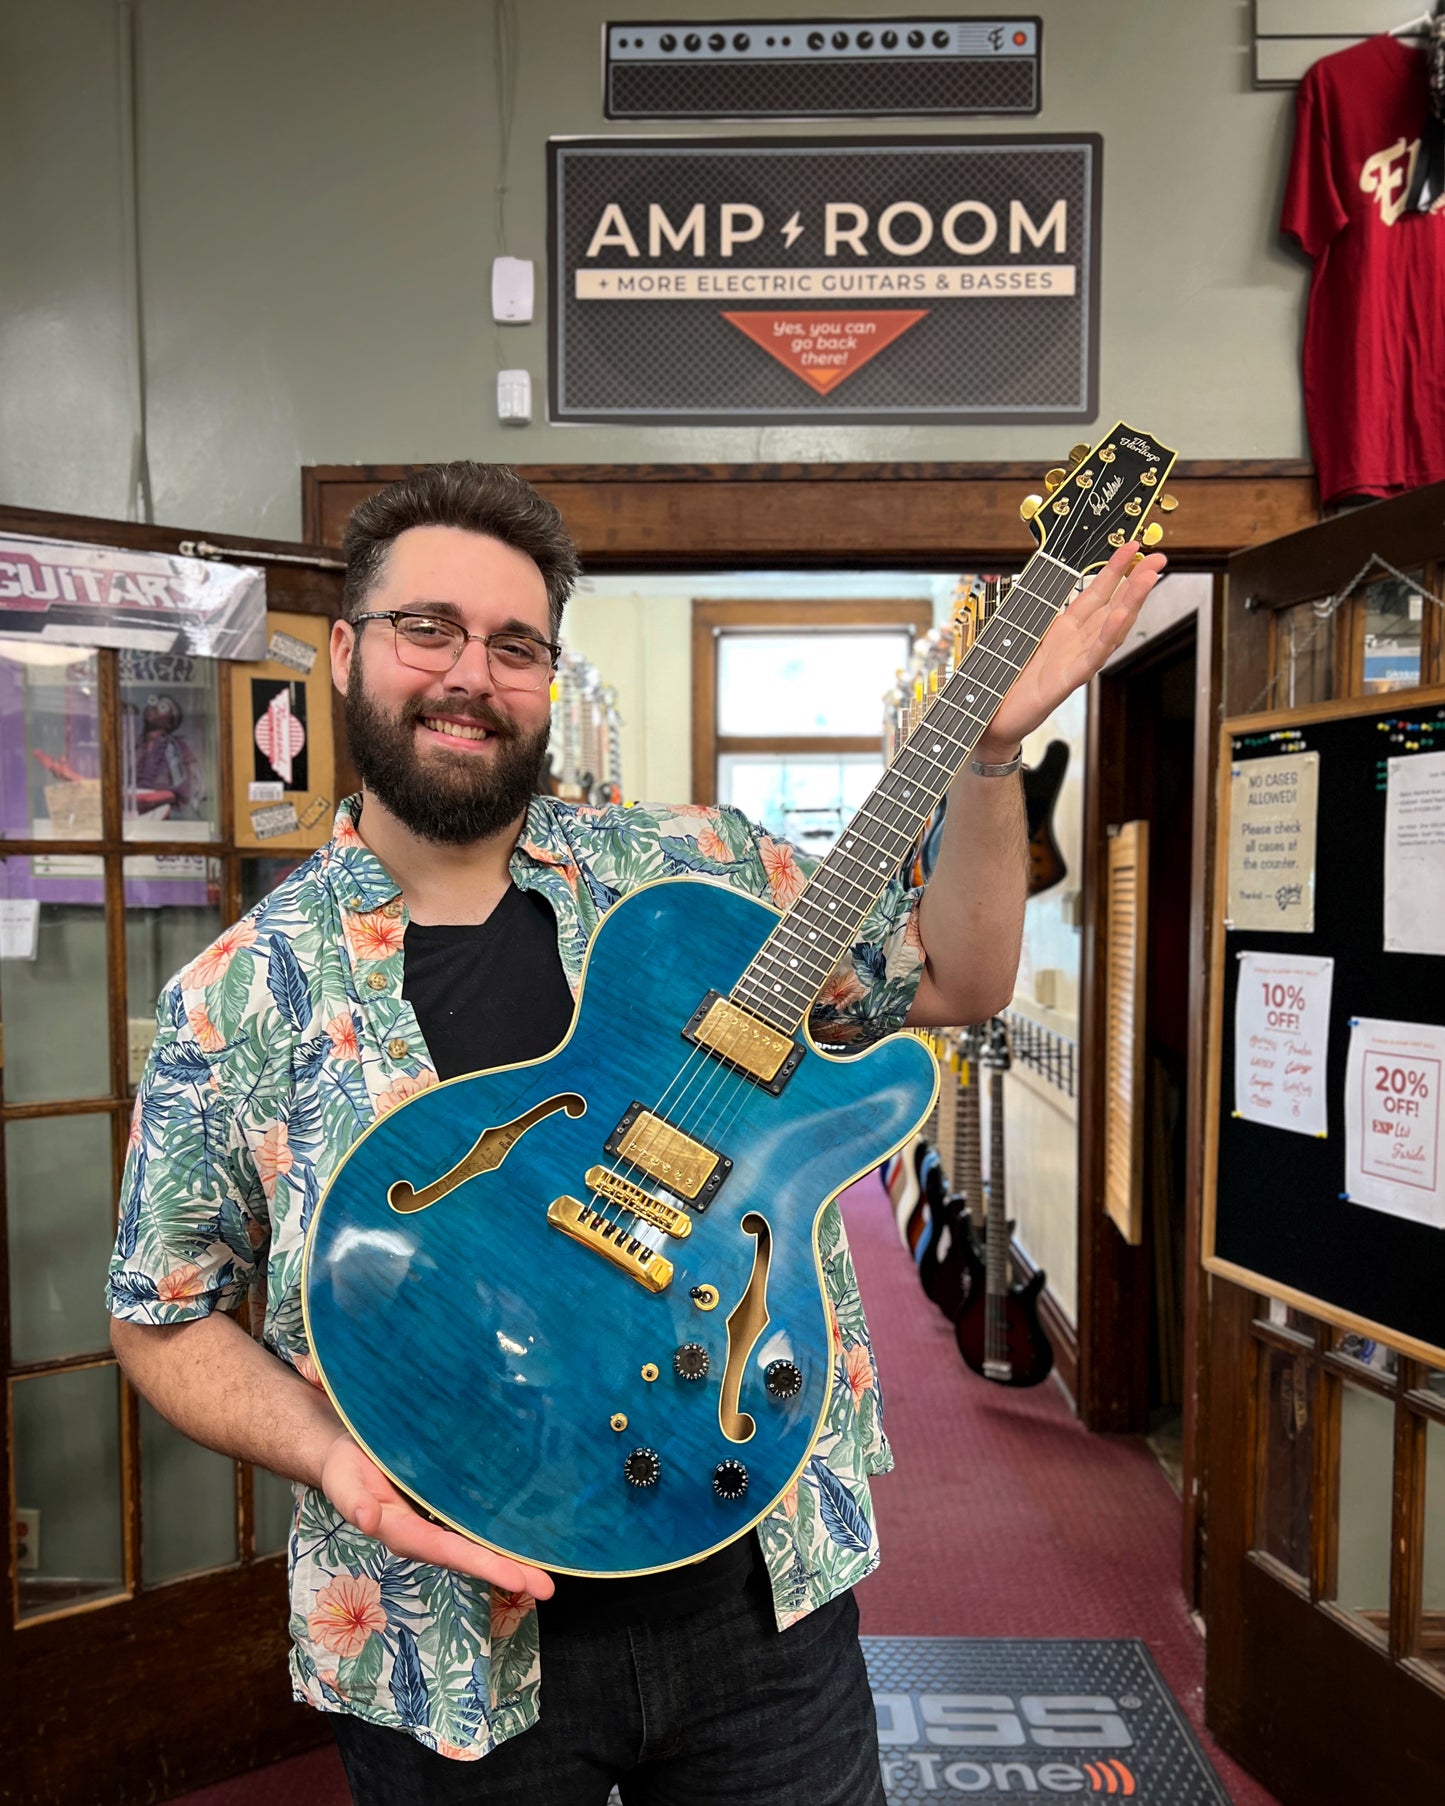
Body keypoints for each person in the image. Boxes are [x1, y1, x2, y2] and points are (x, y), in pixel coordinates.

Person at [107, 462, 1163, 1804]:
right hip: (449, 1632)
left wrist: (992, 753)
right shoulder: (237, 995)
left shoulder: (699, 872)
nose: (468, 673)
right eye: (427, 627)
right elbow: (158, 1309)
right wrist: (327, 1453)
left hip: (755, 1590)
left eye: (514, 644)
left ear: (550, 673)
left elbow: (952, 978)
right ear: (344, 648)